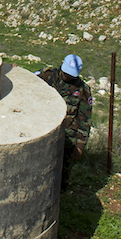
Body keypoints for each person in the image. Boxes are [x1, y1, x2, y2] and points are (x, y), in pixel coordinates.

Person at [38, 53, 93, 191]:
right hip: (44, 130)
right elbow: (30, 84)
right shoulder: (47, 76)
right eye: (67, 74)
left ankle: (60, 194)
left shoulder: (82, 90)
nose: (68, 77)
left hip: (67, 137)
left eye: (72, 75)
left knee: (63, 171)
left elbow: (84, 119)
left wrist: (80, 146)